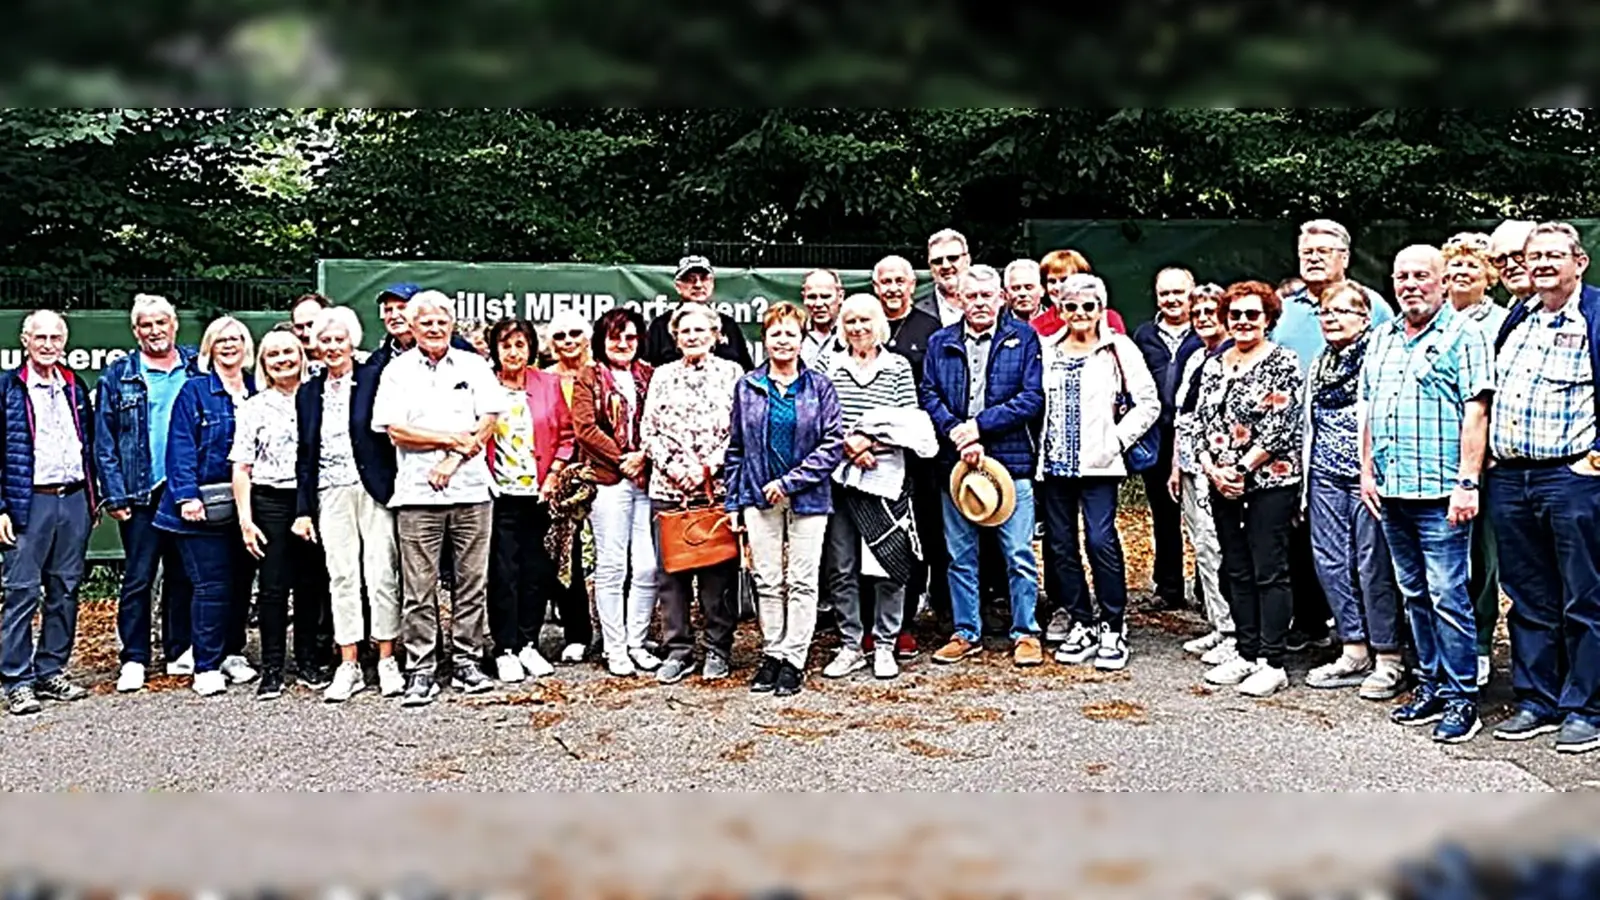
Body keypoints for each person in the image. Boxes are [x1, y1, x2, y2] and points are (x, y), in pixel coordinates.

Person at [1362, 245, 1493, 744]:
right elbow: (1371, 409)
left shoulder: (1466, 334)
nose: (1411, 284)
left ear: (1443, 282)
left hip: (1442, 494)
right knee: (1414, 594)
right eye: (1402, 276)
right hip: (1392, 490)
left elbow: (1475, 413)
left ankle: (1463, 699)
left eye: (1422, 275)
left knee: (1447, 596)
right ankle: (1431, 684)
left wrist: (1467, 481)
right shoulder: (1382, 338)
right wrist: (1368, 470)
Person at [1487, 222, 1600, 753]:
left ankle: (1586, 707)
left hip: (1571, 478)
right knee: (1529, 596)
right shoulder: (1519, 317)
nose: (1543, 264)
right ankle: (1538, 699)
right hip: (1511, 477)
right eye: (1535, 256)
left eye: (1555, 255)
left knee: (1584, 595)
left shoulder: (1595, 315)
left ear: (1580, 262)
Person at [371, 290, 506, 707]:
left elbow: (489, 419)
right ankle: (422, 668)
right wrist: (450, 439)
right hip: (416, 495)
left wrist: (450, 461)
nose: (433, 327)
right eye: (424, 321)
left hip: (471, 492)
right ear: (411, 327)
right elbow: (395, 429)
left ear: (452, 324)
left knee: (471, 583)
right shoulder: (396, 371)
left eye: (441, 320)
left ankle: (467, 661)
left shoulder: (474, 365)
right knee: (418, 588)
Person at [920, 265, 1046, 667]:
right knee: (959, 555)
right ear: (958, 298)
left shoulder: (1024, 339)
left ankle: (1025, 632)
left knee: (1018, 553)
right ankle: (966, 631)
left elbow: (1031, 398)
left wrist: (978, 427)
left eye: (987, 296)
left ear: (1001, 298)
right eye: (971, 296)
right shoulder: (940, 342)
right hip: (955, 466)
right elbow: (929, 394)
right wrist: (956, 431)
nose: (979, 303)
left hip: (1011, 465)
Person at [1037, 275, 1159, 671]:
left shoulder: (1118, 348)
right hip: (1055, 464)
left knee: (1101, 540)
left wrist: (1115, 441)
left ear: (1101, 309)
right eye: (1071, 306)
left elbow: (1148, 403)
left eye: (1089, 307)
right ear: (1060, 310)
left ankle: (1113, 623)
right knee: (1059, 545)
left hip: (1099, 466)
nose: (1080, 314)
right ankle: (1081, 621)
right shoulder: (1047, 349)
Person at [726, 303, 845, 696]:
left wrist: (790, 482)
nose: (783, 340)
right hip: (758, 496)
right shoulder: (748, 386)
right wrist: (733, 503)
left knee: (802, 580)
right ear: (765, 338)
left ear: (801, 339)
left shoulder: (819, 386)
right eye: (775, 333)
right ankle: (772, 653)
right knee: (767, 579)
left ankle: (795, 659)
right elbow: (737, 448)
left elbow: (832, 445)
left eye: (791, 333)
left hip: (808, 496)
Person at [1195, 282, 1304, 698]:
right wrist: (1212, 468)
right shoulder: (1214, 364)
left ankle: (1271, 660)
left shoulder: (1283, 361)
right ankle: (1245, 649)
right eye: (1235, 314)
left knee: (1268, 569)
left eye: (1252, 315)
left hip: (1269, 481)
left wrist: (1241, 468)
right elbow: (1201, 422)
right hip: (1221, 480)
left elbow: (1282, 425)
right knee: (1235, 566)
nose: (1242, 322)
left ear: (1269, 319)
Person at [291, 306, 404, 703]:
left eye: (339, 339)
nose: (333, 346)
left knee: (381, 576)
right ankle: (349, 663)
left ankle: (387, 659)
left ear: (352, 341)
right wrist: (304, 510)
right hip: (330, 492)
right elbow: (305, 455)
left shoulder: (375, 379)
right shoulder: (308, 392)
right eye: (325, 340)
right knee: (341, 578)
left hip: (374, 491)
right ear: (316, 347)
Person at [819, 294, 934, 681]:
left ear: (879, 323)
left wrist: (868, 442)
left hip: (886, 479)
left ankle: (885, 644)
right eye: (850, 321)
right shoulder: (828, 365)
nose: (858, 328)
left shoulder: (898, 366)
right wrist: (847, 448)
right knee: (842, 566)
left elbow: (910, 424)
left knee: (889, 564)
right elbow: (820, 422)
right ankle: (851, 643)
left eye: (865, 320)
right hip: (840, 479)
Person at [1300, 281, 1405, 699]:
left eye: (1344, 311)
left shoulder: (1378, 355)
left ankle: (1388, 656)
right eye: (1326, 312)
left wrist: (1373, 471)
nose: (1332, 319)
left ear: (1365, 319)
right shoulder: (1321, 362)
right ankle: (1353, 647)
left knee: (1372, 564)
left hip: (1367, 477)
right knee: (1330, 562)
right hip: (1324, 475)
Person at [95, 293, 201, 693]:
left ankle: (179, 650)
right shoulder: (117, 375)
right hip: (140, 492)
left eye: (161, 322)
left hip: (184, 489)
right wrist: (115, 494)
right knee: (138, 578)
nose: (155, 331)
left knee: (183, 576)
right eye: (146, 325)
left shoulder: (196, 367)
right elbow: (104, 441)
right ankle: (134, 657)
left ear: (174, 325)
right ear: (135, 331)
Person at [153, 316, 259, 697]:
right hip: (203, 506)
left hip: (246, 506)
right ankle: (206, 665)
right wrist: (187, 496)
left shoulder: (256, 388)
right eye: (222, 340)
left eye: (237, 339)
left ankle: (232, 651)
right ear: (209, 348)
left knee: (240, 584)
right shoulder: (194, 391)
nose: (230, 345)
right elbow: (179, 446)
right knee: (211, 585)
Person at [639, 303, 745, 684]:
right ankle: (678, 650)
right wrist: (675, 468)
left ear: (716, 334)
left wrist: (706, 468)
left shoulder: (733, 373)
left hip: (714, 490)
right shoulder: (661, 376)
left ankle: (718, 649)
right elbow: (648, 430)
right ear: (675, 337)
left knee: (718, 577)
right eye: (685, 331)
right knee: (672, 577)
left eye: (701, 330)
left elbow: (740, 429)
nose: (693, 336)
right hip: (669, 490)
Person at [0, 311, 96, 716]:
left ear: (65, 341)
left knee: (65, 590)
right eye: (39, 337)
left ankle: (51, 670)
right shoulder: (7, 388)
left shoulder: (76, 387)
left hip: (72, 498)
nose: (48, 344)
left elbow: (89, 444)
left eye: (56, 337)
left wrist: (93, 498)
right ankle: (16, 679)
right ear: (25, 341)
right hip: (28, 501)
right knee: (21, 591)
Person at [482, 317, 579, 683]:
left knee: (537, 573)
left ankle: (528, 643)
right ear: (495, 349)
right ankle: (505, 648)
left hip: (540, 495)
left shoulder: (548, 384)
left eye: (520, 344)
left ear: (531, 349)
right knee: (504, 573)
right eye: (506, 345)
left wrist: (553, 475)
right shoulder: (485, 384)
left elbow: (567, 436)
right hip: (498, 496)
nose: (513, 351)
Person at [571, 307, 661, 677]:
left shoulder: (651, 375)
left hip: (645, 478)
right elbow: (585, 429)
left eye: (630, 336)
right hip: (608, 480)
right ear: (601, 340)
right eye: (614, 336)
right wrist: (623, 458)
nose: (622, 343)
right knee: (611, 565)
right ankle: (614, 646)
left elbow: (660, 421)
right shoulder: (588, 376)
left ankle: (637, 641)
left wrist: (643, 458)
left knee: (648, 565)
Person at [229, 330, 317, 700]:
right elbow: (241, 467)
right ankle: (272, 668)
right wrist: (246, 520)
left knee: (313, 584)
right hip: (270, 501)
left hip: (313, 497)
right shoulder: (254, 407)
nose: (283, 359)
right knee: (273, 588)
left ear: (301, 356)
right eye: (274, 355)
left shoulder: (317, 399)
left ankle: (310, 660)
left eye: (289, 352)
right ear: (263, 363)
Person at [1442, 235, 1507, 687]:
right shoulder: (1430, 320)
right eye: (1455, 265)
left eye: (1473, 266)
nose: (1462, 273)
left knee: (1480, 559)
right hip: (1429, 460)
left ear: (1491, 276)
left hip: (1481, 464)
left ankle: (1480, 644)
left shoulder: (1502, 323)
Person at [874, 254, 943, 651]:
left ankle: (910, 618)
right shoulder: (864, 326)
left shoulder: (929, 329)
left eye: (900, 281)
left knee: (922, 536)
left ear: (912, 285)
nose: (893, 288)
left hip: (919, 457)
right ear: (875, 286)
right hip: (876, 456)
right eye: (885, 282)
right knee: (880, 535)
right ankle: (879, 619)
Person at [1169, 284, 1236, 664]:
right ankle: (1217, 625)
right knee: (1203, 550)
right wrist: (1177, 467)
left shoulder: (1233, 357)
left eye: (1213, 311)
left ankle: (1234, 630)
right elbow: (1184, 419)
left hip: (1218, 470)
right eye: (1198, 314)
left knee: (1219, 548)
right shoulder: (1196, 357)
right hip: (1191, 468)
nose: (1205, 319)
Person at [1132, 266, 1203, 612]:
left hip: (1198, 437)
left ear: (1192, 294)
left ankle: (1208, 590)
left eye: (1179, 292)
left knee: (1204, 515)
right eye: (1165, 293)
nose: (1172, 300)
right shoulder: (1144, 335)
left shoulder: (1206, 331)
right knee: (1163, 514)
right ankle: (1169, 587)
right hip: (1157, 436)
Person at [540, 308, 598, 664]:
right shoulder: (544, 380)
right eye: (560, 336)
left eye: (575, 333)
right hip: (561, 478)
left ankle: (623, 634)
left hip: (601, 473)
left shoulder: (600, 375)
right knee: (565, 554)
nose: (568, 342)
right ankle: (576, 632)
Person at [641, 255, 754, 370]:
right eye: (690, 279)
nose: (698, 285)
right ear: (678, 286)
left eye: (704, 278)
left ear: (712, 283)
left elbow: (746, 370)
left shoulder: (728, 324)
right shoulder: (660, 325)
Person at [915, 228, 971, 327]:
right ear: (930, 267)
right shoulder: (917, 311)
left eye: (952, 258)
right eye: (937, 261)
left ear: (967, 260)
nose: (945, 266)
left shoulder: (994, 304)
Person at [799, 269, 844, 365]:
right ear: (804, 298)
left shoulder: (854, 333)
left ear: (840, 296)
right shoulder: (794, 334)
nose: (818, 304)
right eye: (812, 297)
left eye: (825, 296)